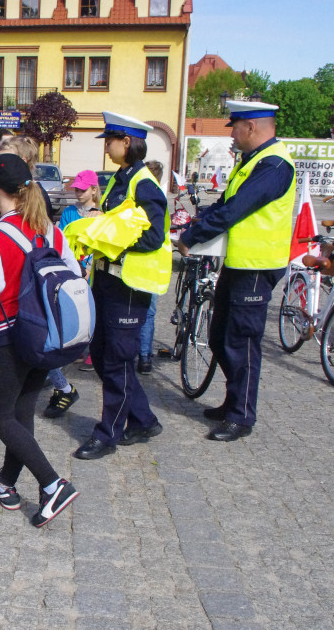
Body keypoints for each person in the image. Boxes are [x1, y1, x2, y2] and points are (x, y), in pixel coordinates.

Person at [0, 154, 79, 527]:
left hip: (10, 336)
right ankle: (4, 483)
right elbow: (74, 274)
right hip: (45, 336)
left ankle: (51, 483)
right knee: (21, 412)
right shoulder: (50, 230)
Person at [177, 101, 296, 442]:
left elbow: (238, 210)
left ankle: (242, 415)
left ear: (252, 127)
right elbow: (227, 202)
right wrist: (199, 218)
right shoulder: (253, 162)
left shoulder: (273, 165)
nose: (232, 132)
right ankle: (233, 401)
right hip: (240, 262)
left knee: (241, 342)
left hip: (257, 266)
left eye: (235, 126)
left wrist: (192, 236)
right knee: (219, 336)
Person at [74, 113, 171, 460]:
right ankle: (143, 419)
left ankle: (109, 433)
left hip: (128, 286)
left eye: (110, 140)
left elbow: (154, 236)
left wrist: (107, 237)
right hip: (108, 281)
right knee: (102, 356)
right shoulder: (121, 178)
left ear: (126, 142)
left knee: (116, 360)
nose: (107, 146)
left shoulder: (144, 184)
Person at [44, 169, 103, 418]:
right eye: (76, 189)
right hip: (70, 267)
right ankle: (72, 346)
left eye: (82, 189)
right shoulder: (69, 213)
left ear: (93, 190)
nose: (77, 193)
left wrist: (88, 266)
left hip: (88, 268)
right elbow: (63, 237)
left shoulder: (100, 215)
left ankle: (87, 347)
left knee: (88, 308)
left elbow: (98, 241)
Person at [138, 160, 165, 374]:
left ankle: (134, 354)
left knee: (136, 311)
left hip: (140, 262)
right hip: (156, 265)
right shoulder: (161, 200)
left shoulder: (140, 198)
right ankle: (145, 357)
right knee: (148, 313)